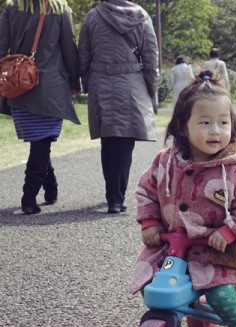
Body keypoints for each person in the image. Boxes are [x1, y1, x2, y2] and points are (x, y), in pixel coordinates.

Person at [130, 70, 236, 327]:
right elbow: (145, 190)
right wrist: (150, 221)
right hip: (172, 248)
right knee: (151, 284)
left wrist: (229, 230)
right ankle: (171, 321)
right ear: (183, 126)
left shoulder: (234, 172)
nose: (215, 131)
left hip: (216, 250)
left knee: (219, 293)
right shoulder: (165, 162)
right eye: (205, 123)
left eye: (223, 123)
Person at [0, 0, 81, 215]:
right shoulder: (59, 8)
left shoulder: (12, 7)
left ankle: (51, 189)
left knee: (40, 142)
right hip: (51, 88)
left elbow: (1, 46)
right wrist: (75, 82)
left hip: (19, 86)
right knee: (41, 144)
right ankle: (28, 197)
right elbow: (68, 49)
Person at [78, 0, 159, 214]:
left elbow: (83, 55)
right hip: (131, 84)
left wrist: (86, 83)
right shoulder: (141, 16)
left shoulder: (92, 16)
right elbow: (150, 56)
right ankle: (117, 198)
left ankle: (112, 195)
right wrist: (152, 87)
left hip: (101, 82)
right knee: (125, 142)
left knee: (108, 140)